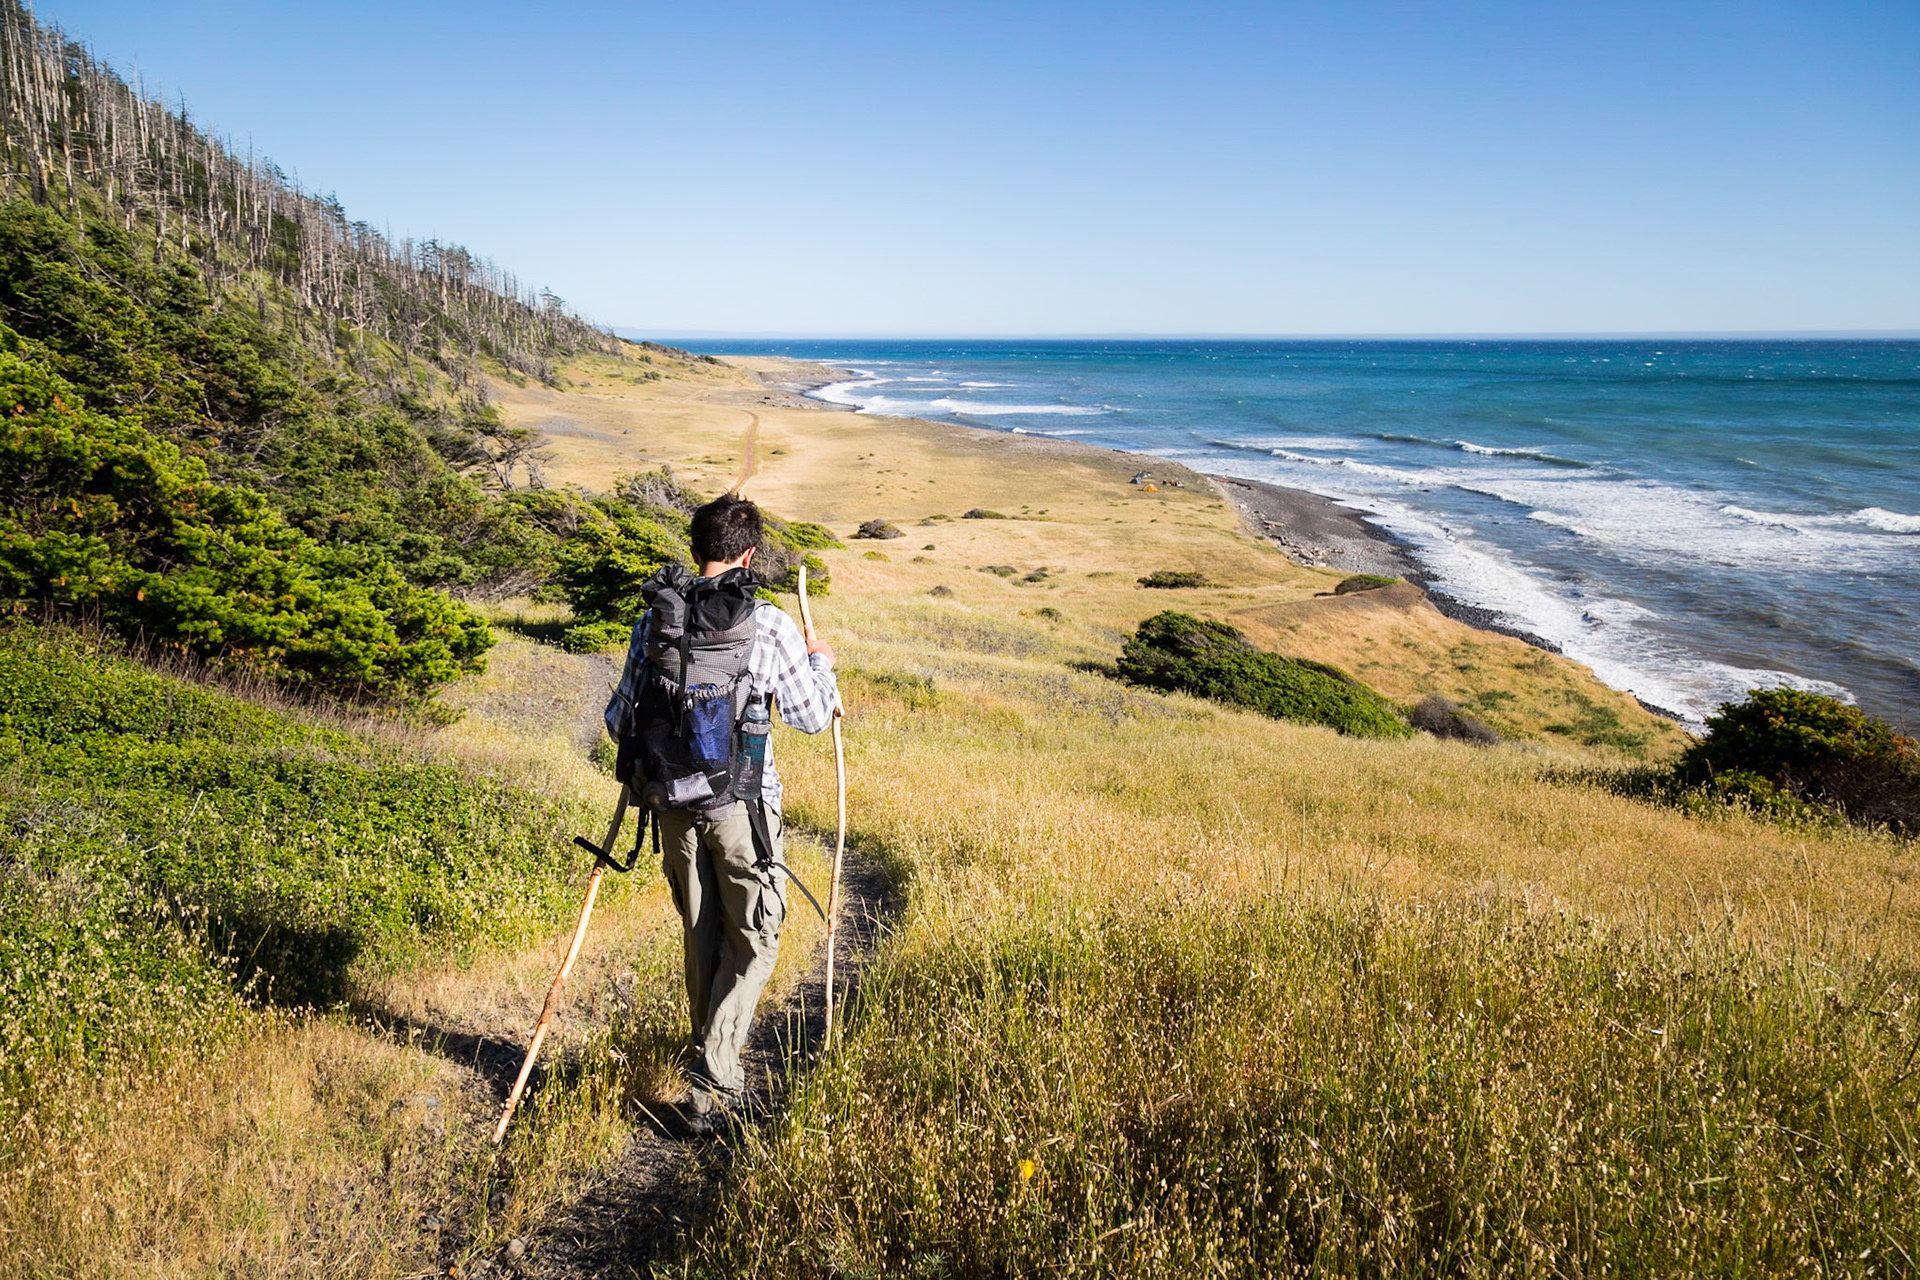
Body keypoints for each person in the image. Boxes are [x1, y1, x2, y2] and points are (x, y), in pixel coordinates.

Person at [602, 494, 837, 1124]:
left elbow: (616, 718)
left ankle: (707, 1064)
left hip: (670, 808)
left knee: (701, 934)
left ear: (695, 548)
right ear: (750, 554)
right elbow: (814, 717)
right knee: (757, 938)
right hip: (744, 811)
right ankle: (715, 1077)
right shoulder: (770, 625)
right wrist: (823, 664)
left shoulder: (654, 621)